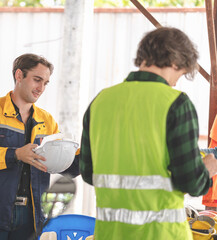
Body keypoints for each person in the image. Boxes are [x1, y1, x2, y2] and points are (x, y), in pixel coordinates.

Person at [79, 27, 217, 239]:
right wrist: (207, 168)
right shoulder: (176, 103)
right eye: (179, 75)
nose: (175, 83)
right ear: (175, 62)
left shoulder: (100, 102)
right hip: (161, 234)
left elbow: (89, 173)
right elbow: (191, 182)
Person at [0, 53, 79, 240]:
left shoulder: (47, 121)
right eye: (37, 80)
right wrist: (15, 154)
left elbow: (67, 165)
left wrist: (91, 156)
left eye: (46, 83)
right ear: (19, 76)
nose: (41, 88)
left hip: (31, 216)